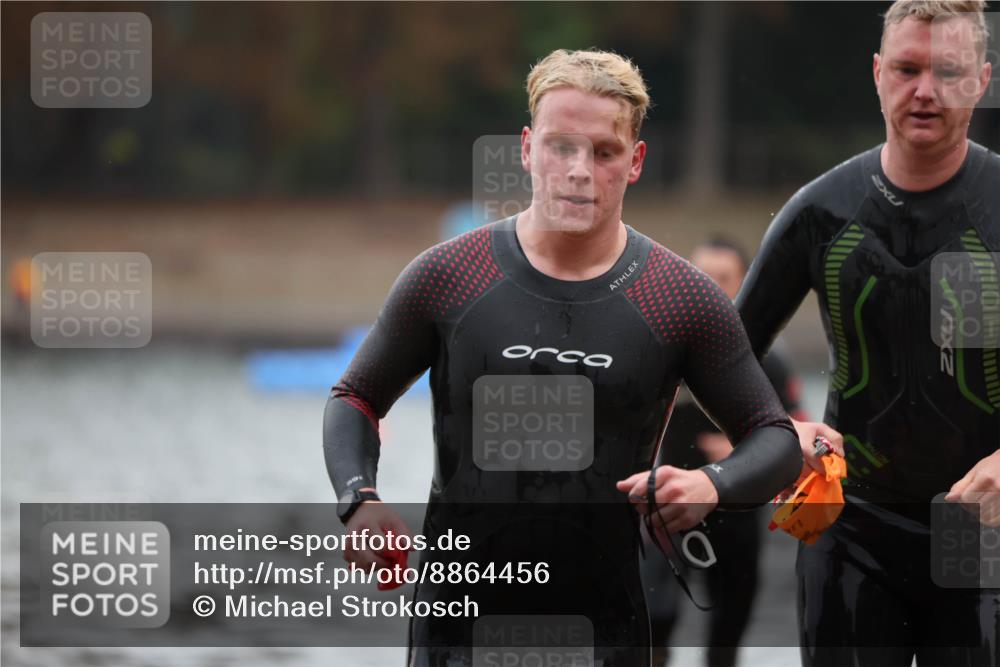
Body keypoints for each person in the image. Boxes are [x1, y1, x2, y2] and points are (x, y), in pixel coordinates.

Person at [324, 49, 804, 666]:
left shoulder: (680, 298)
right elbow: (354, 399)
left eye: (604, 152)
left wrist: (711, 485)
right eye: (560, 146)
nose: (579, 170)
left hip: (603, 630)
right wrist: (359, 500)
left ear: (634, 162)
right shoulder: (448, 276)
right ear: (526, 149)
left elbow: (775, 439)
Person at [730, 2, 999, 665]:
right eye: (907, 69)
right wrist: (778, 428)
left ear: (983, 81)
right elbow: (724, 355)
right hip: (849, 528)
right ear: (878, 74)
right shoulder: (821, 211)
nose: (925, 91)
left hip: (981, 533)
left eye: (948, 72)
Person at [642, 237, 809, 667]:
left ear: (743, 285)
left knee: (726, 636)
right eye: (700, 277)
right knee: (651, 622)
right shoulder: (660, 347)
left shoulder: (766, 361)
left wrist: (748, 442)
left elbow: (802, 434)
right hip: (666, 505)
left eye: (722, 279)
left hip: (735, 510)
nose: (709, 288)